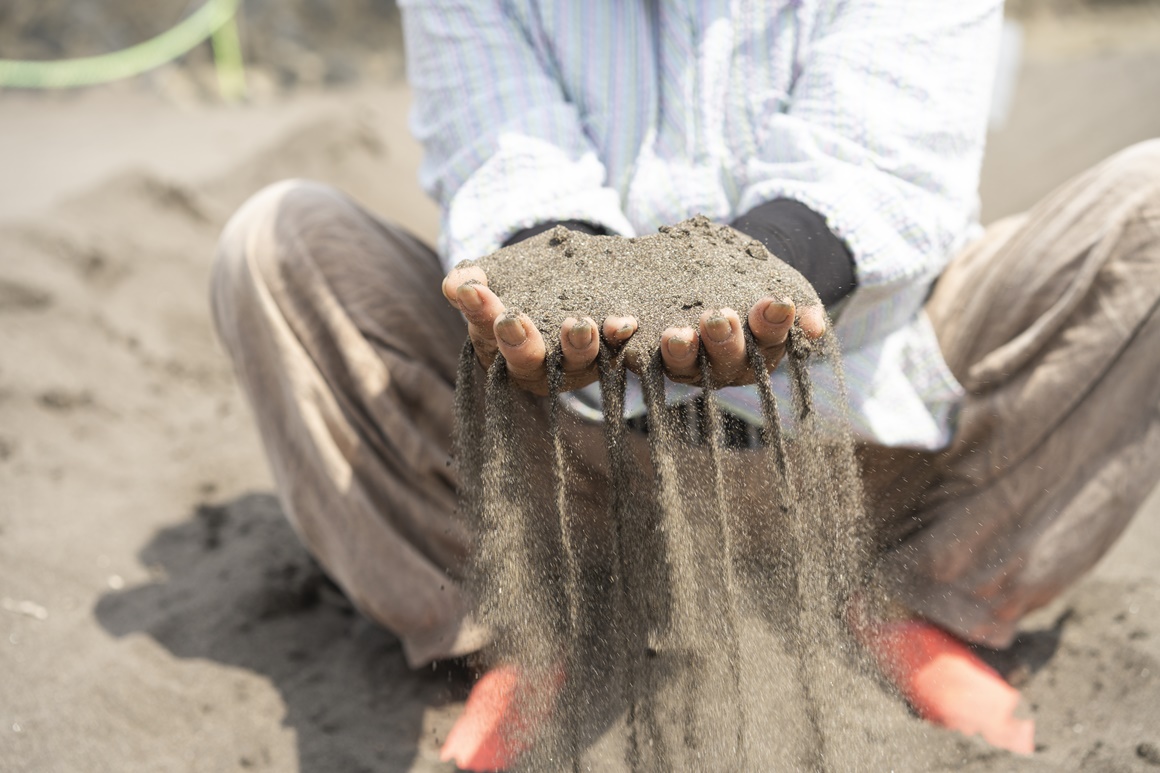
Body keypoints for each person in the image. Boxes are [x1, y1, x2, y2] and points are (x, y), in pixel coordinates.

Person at [210, 1, 1160, 769]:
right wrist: (558, 283)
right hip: (570, 460)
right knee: (274, 248)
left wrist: (759, 280)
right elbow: (505, 151)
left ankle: (914, 595)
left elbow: (883, 155)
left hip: (868, 417)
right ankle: (529, 625)